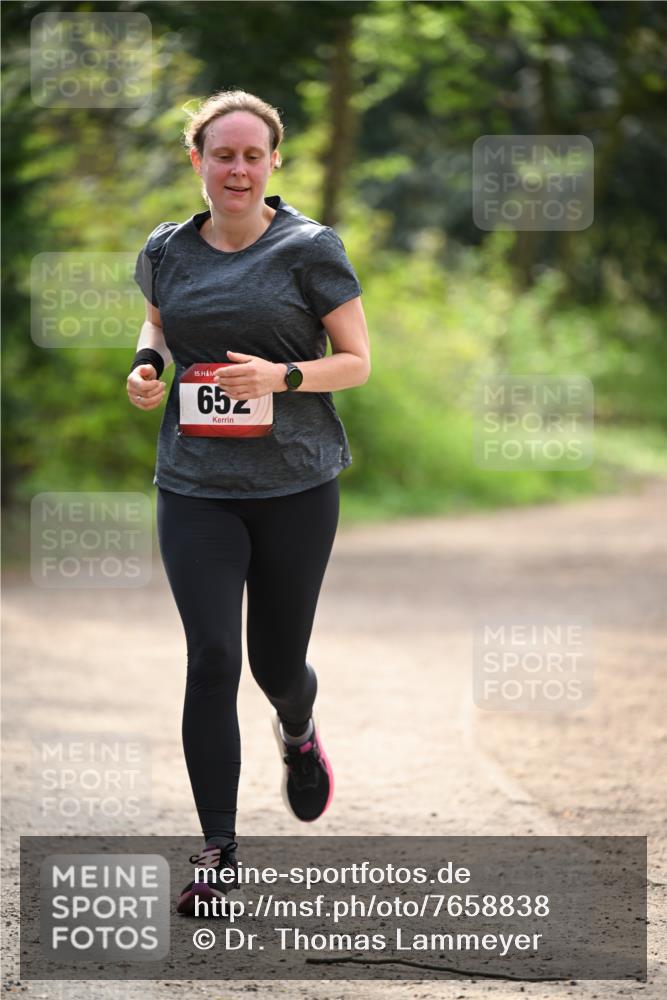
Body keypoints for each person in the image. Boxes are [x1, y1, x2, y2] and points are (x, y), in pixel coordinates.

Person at [127, 90, 370, 915]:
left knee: (273, 665)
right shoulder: (165, 249)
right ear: (196, 161)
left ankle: (298, 733)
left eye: (251, 155)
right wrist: (147, 367)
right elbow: (157, 326)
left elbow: (357, 361)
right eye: (220, 154)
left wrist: (281, 377)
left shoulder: (308, 248)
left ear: (273, 164)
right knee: (211, 659)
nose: (236, 168)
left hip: (296, 486)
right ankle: (219, 854)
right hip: (195, 488)